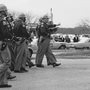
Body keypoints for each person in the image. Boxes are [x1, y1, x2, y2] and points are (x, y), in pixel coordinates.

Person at [0, 4, 12, 88]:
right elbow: (4, 33)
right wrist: (11, 36)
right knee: (7, 62)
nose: (7, 12)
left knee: (3, 62)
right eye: (5, 10)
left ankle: (3, 82)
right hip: (2, 41)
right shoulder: (2, 20)